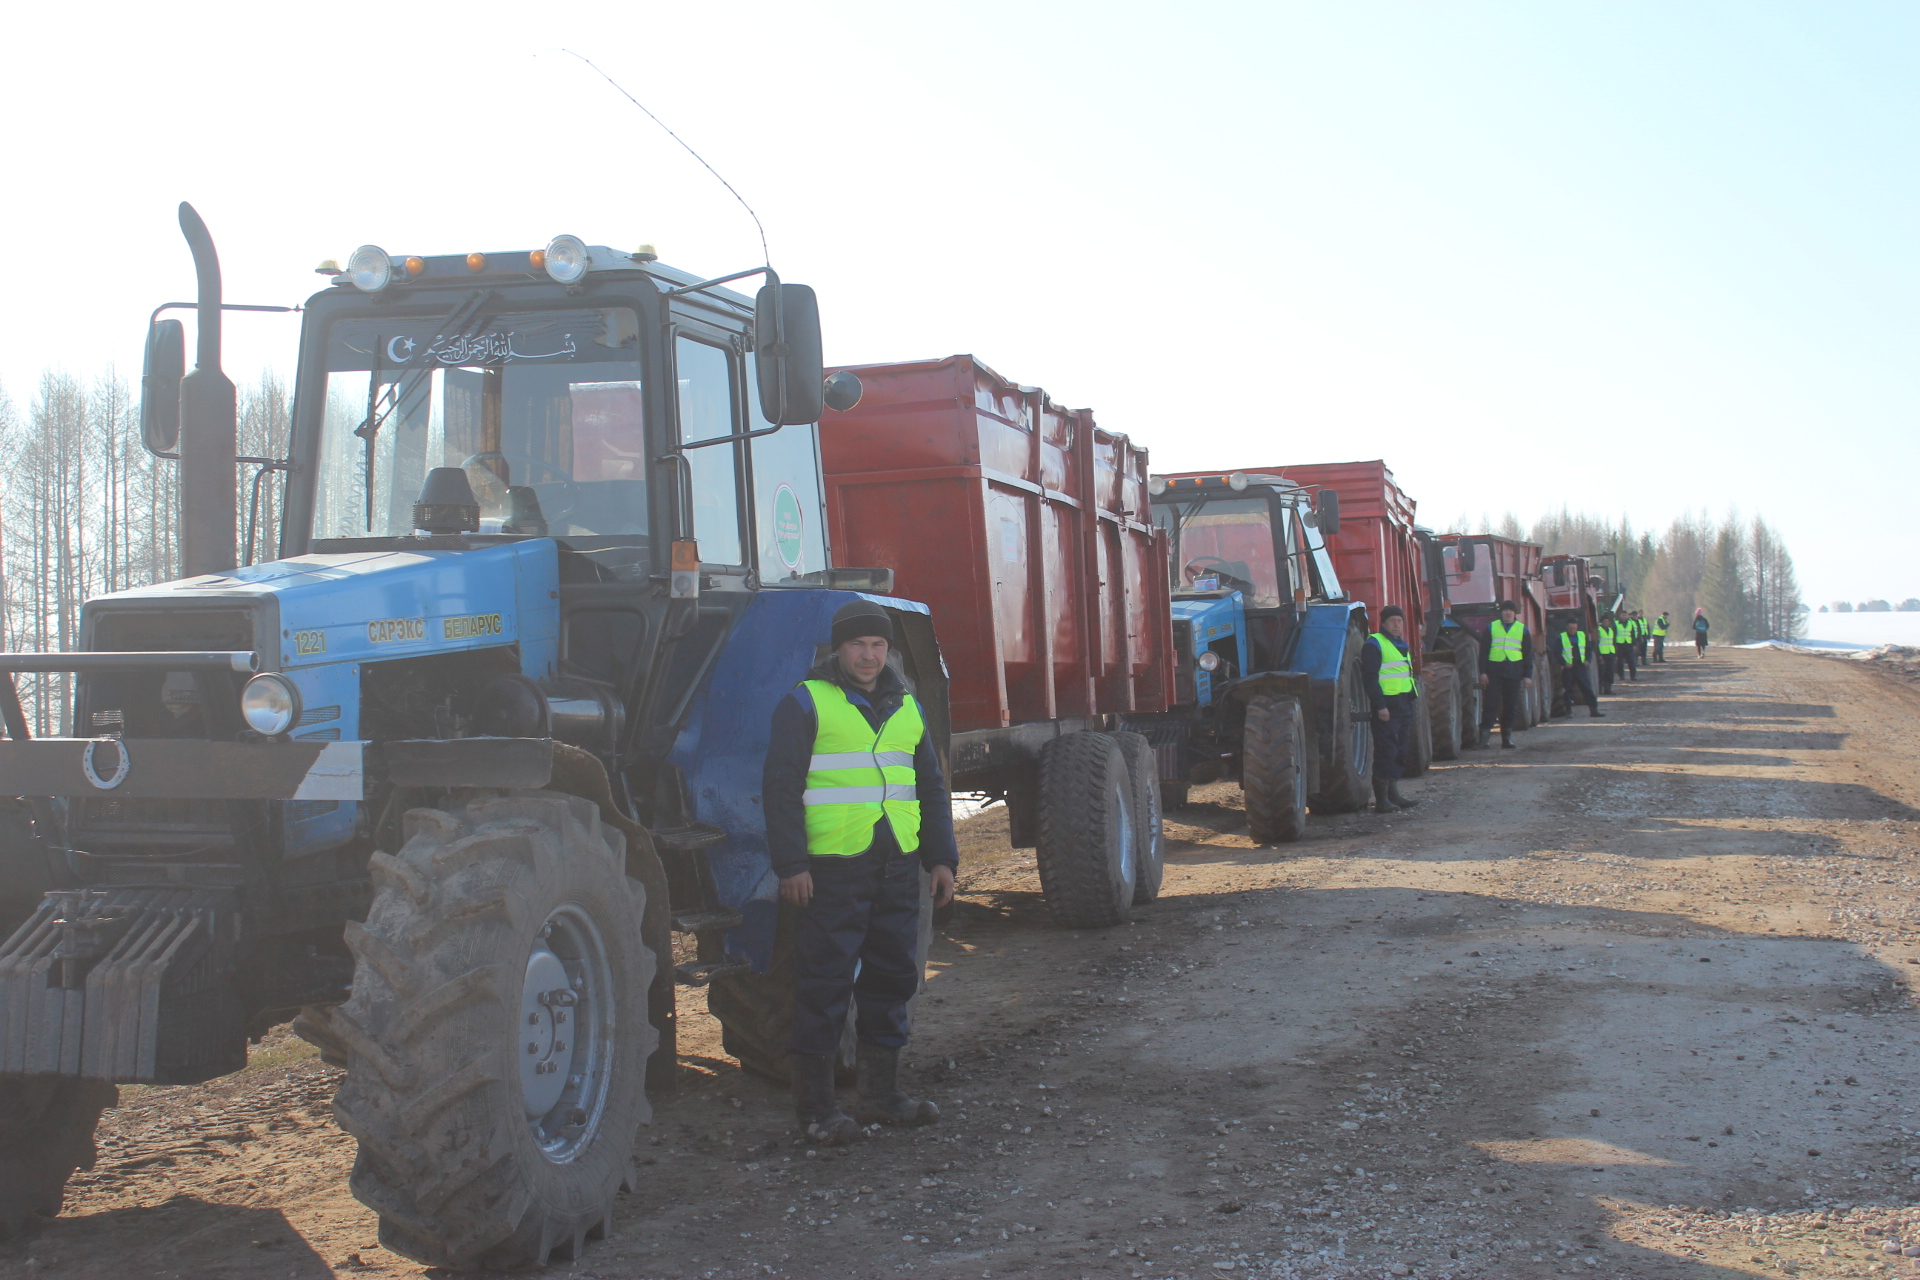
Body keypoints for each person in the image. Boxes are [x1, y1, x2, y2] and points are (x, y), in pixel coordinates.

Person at [763, 599, 960, 1145]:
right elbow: (779, 789)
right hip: (830, 871)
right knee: (824, 984)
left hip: (897, 864)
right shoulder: (805, 703)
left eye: (877, 646)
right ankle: (817, 1111)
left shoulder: (909, 708)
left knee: (893, 978)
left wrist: (941, 859)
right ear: (838, 650)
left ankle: (881, 1097)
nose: (869, 656)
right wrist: (792, 864)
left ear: (888, 650)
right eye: (858, 646)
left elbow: (931, 789)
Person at [1363, 605, 1420, 813]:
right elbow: (1370, 679)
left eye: (1400, 621)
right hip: (1387, 707)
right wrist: (1380, 706)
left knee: (1400, 749)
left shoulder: (1401, 644)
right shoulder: (1374, 644)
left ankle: (1393, 793)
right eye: (1393, 621)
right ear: (1384, 623)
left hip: (1404, 704)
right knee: (1386, 750)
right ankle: (1382, 799)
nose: (1397, 625)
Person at [1477, 599, 1533, 749]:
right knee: (1490, 705)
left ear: (1515, 613)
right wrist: (1483, 673)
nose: (1508, 613)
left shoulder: (1522, 629)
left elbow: (1528, 654)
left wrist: (1528, 675)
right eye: (1505, 610)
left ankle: (1506, 738)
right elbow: (1483, 653)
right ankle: (1484, 739)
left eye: (1510, 610)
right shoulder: (1491, 628)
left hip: (1514, 672)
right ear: (1501, 612)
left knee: (1510, 706)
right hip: (1493, 672)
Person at [1554, 617, 1603, 717]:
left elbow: (1588, 650)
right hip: (1569, 669)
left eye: (1574, 628)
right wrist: (1564, 663)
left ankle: (1594, 710)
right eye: (1571, 628)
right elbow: (1557, 653)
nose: (1573, 630)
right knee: (1568, 690)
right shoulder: (1561, 637)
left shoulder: (1582, 636)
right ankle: (1569, 711)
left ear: (1577, 627)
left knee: (1587, 689)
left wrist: (1587, 660)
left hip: (1581, 667)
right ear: (1567, 627)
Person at [1595, 611, 1617, 694]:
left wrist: (1615, 654)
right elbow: (1597, 643)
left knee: (1610, 672)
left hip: (1610, 653)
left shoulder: (1611, 630)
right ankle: (1600, 689)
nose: (1606, 623)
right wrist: (1599, 655)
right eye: (1604, 621)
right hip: (1602, 654)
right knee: (1602, 673)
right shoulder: (1598, 630)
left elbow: (1613, 642)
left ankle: (1608, 689)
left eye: (1607, 621)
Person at [1614, 611, 1638, 683]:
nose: (1624, 616)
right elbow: (1614, 635)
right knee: (1620, 662)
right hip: (1619, 645)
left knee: (1631, 662)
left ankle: (1633, 676)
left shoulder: (1630, 623)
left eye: (1625, 615)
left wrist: (1634, 644)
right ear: (1620, 616)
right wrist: (1615, 645)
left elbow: (1633, 634)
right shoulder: (1616, 623)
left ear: (1627, 616)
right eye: (1623, 615)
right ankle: (1621, 676)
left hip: (1628, 644)